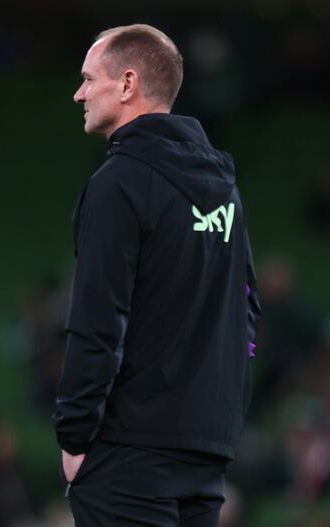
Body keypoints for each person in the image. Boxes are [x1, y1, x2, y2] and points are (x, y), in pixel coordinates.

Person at [53, 24, 261, 526]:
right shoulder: (223, 190)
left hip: (129, 454)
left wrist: (75, 435)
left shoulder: (118, 184)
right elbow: (247, 312)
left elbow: (99, 320)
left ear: (127, 85)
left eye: (88, 79)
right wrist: (221, 415)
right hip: (205, 451)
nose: (79, 93)